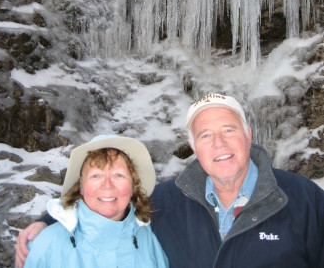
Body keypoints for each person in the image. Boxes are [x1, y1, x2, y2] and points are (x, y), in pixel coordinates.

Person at [16, 93, 324, 268]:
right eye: (205, 135)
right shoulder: (168, 201)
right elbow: (110, 204)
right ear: (194, 148)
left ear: (248, 135)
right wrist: (48, 221)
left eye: (229, 130)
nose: (219, 144)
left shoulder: (303, 199)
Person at [21, 134, 168, 268]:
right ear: (81, 187)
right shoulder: (46, 244)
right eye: (96, 176)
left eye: (118, 175)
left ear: (132, 187)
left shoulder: (149, 241)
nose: (107, 185)